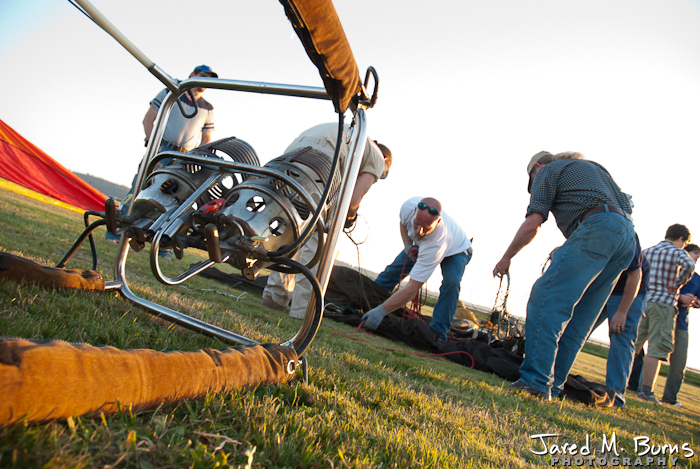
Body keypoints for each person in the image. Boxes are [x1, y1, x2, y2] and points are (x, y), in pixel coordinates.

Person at [493, 151, 635, 401]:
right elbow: (624, 208)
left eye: (532, 182)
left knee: (546, 299)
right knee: (581, 317)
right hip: (626, 240)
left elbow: (533, 222)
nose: (535, 187)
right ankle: (554, 385)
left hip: (598, 227)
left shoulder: (548, 170)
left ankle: (535, 382)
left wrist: (506, 257)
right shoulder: (593, 167)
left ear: (536, 167)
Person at [261, 122, 392, 318]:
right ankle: (302, 312)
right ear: (385, 160)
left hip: (289, 158)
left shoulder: (352, 137)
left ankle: (275, 297)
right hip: (320, 165)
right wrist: (348, 218)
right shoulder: (377, 158)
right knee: (317, 243)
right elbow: (353, 200)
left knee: (292, 231)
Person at [108, 65, 218, 250]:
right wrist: (154, 145)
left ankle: (162, 247)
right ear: (192, 75)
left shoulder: (207, 108)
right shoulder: (172, 91)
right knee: (139, 189)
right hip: (162, 149)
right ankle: (114, 233)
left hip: (185, 158)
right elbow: (149, 118)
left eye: (209, 78)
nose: (205, 80)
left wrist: (196, 157)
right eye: (202, 75)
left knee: (175, 201)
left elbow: (207, 137)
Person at [552, 234, 648, 408]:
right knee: (577, 329)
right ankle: (553, 375)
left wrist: (622, 311)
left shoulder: (623, 234)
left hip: (627, 290)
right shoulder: (587, 230)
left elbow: (636, 275)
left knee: (621, 337)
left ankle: (616, 397)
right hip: (601, 285)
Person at [361, 197, 473, 341]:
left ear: (437, 222)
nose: (419, 231)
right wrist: (408, 245)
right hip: (421, 244)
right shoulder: (408, 207)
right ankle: (368, 302)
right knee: (395, 269)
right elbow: (403, 223)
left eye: (426, 228)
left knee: (451, 282)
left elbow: (412, 288)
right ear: (414, 212)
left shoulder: (436, 243)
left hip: (457, 250)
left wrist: (382, 312)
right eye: (416, 223)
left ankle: (438, 331)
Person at [633, 224, 695, 404]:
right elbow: (689, 265)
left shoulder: (649, 250)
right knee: (657, 347)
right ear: (682, 239)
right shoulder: (677, 252)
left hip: (644, 300)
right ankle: (646, 391)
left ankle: (618, 382)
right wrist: (677, 284)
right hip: (664, 303)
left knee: (635, 344)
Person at [661, 244, 700, 407]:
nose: (696, 258)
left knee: (679, 363)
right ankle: (641, 389)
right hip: (663, 317)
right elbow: (658, 291)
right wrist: (680, 297)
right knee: (655, 354)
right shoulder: (669, 271)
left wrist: (695, 302)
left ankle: (670, 398)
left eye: (698, 256)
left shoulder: (697, 278)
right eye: (694, 254)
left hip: (682, 324)